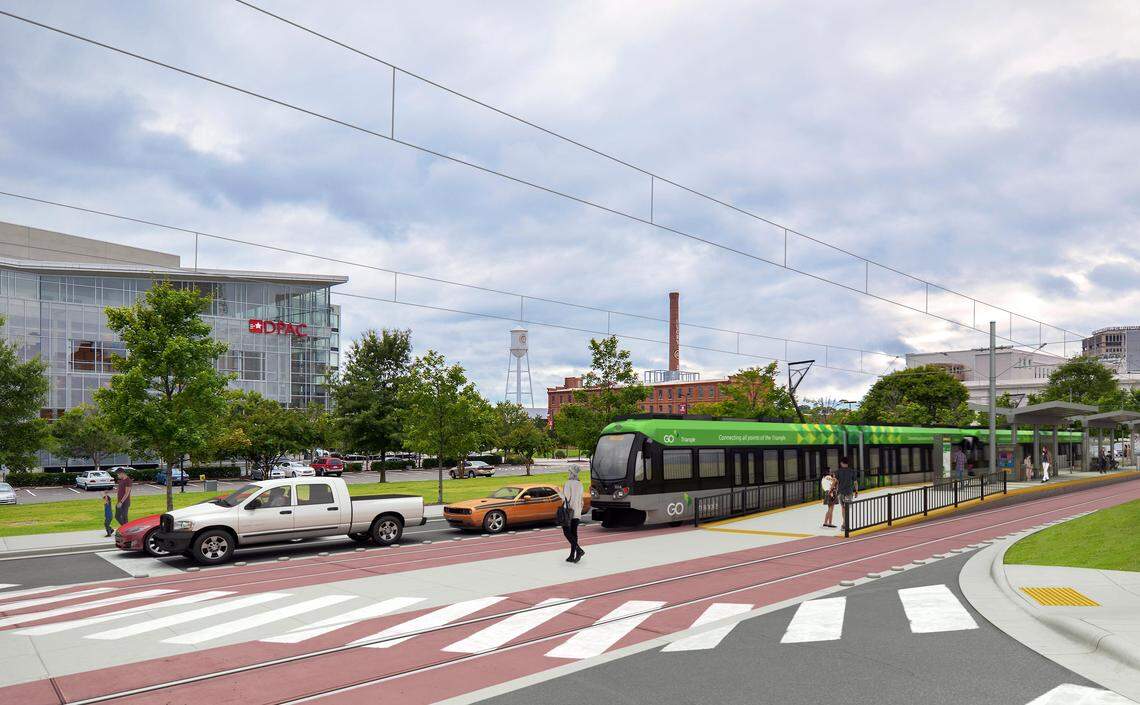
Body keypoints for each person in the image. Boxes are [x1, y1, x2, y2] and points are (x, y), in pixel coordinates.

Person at [560, 466, 585, 563]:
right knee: (574, 533)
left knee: (566, 532)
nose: (568, 473)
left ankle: (579, 550)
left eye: (569, 471)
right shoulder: (580, 484)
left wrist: (559, 492)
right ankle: (572, 555)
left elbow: (566, 497)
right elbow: (581, 500)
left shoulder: (568, 483)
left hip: (569, 512)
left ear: (571, 473)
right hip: (577, 511)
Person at [835, 457, 856, 531]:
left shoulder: (838, 471)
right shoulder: (852, 471)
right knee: (847, 508)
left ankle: (844, 524)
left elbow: (836, 482)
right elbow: (855, 482)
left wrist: (835, 491)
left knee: (843, 507)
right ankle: (845, 524)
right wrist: (856, 491)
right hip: (849, 492)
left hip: (841, 492)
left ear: (841, 463)